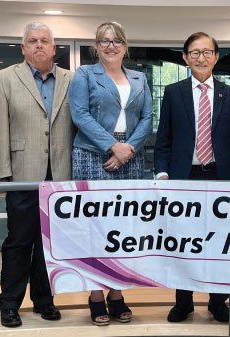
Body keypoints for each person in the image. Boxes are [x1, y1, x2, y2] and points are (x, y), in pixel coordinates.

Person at [154, 32, 230, 324]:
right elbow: (163, 139)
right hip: (184, 177)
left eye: (207, 52)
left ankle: (217, 302)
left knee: (219, 242)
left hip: (221, 177)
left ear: (216, 57)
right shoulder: (173, 92)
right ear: (185, 58)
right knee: (182, 242)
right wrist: (162, 172)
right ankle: (183, 302)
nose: (201, 58)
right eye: (194, 53)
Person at [0, 22, 74, 328]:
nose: (39, 45)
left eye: (44, 41)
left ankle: (44, 300)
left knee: (50, 244)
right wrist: (1, 178)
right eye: (32, 41)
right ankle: (9, 303)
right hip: (23, 176)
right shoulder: (4, 79)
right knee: (19, 241)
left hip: (61, 176)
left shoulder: (70, 80)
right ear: (23, 48)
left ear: (54, 47)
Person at [69, 21, 153, 326]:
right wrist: (111, 147)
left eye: (116, 40)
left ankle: (116, 292)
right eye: (104, 41)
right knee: (95, 228)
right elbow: (79, 114)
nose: (111, 46)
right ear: (96, 46)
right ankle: (95, 295)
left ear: (125, 45)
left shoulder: (139, 77)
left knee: (122, 229)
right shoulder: (84, 75)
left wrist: (127, 148)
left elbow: (147, 118)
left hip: (131, 158)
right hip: (92, 156)